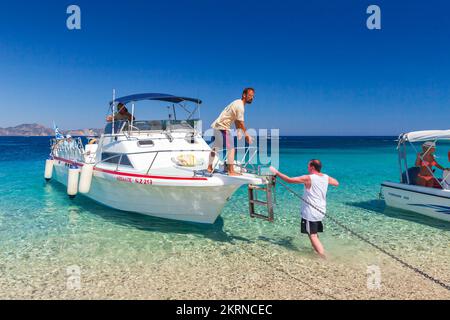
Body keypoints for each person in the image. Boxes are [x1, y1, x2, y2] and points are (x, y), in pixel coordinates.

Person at [270, 160, 339, 258]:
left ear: (312, 167)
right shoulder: (325, 177)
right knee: (313, 233)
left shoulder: (308, 178)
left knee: (312, 235)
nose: (307, 167)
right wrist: (324, 180)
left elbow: (289, 180)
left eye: (308, 166)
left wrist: (276, 172)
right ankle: (318, 250)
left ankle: (323, 257)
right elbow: (336, 183)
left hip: (311, 212)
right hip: (321, 211)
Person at [207, 88, 255, 176]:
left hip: (217, 124)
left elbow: (237, 120)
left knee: (216, 147)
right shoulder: (240, 106)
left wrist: (239, 131)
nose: (252, 98)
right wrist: (247, 135)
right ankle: (231, 171)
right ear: (244, 95)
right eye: (250, 95)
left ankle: (209, 167)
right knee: (231, 149)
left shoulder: (237, 102)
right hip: (223, 126)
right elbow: (240, 122)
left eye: (253, 96)